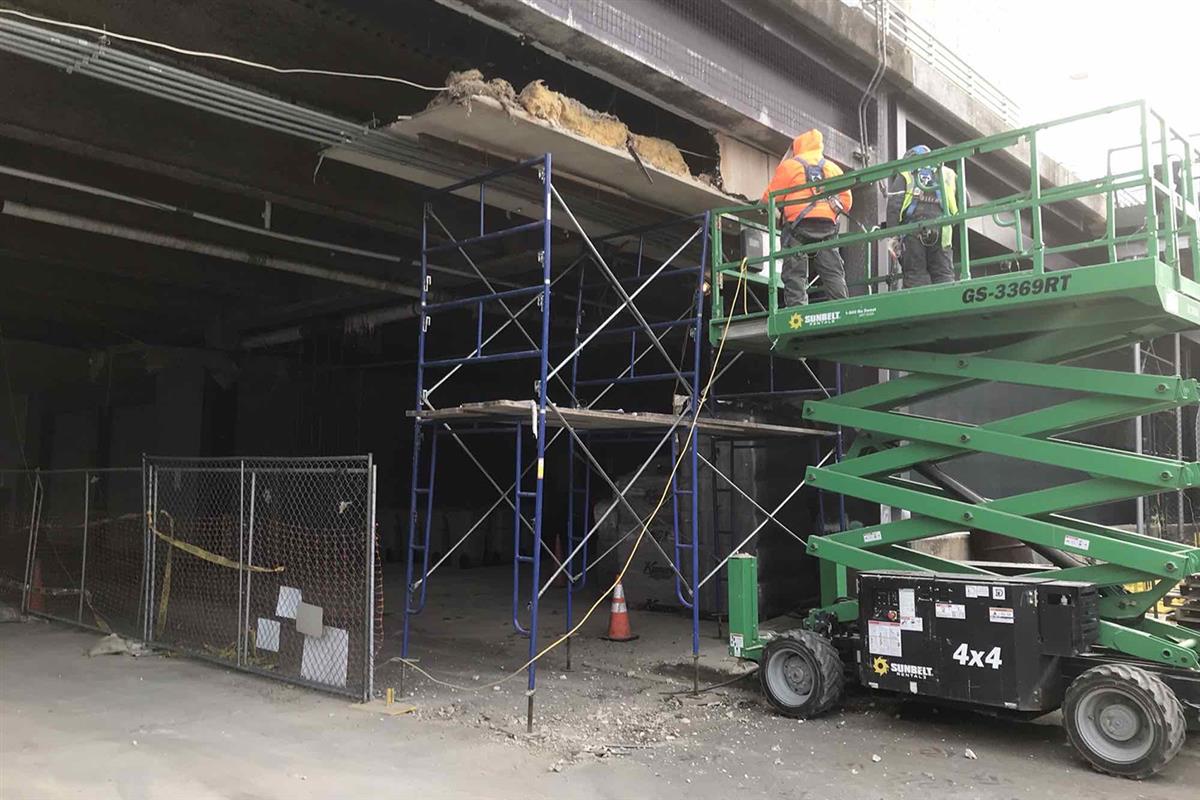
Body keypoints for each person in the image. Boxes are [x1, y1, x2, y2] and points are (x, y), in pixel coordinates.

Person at [761, 128, 852, 307]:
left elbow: (769, 198)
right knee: (832, 271)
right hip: (826, 227)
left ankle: (798, 310)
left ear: (798, 147)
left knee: (795, 272)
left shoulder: (790, 165)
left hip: (798, 227)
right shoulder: (832, 168)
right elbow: (846, 201)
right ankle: (842, 306)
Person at [885, 144, 961, 288]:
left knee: (915, 275)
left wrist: (893, 236)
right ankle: (946, 306)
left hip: (913, 230)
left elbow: (894, 206)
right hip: (942, 228)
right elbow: (965, 201)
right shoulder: (948, 173)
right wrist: (952, 222)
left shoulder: (906, 172)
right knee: (943, 274)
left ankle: (918, 309)